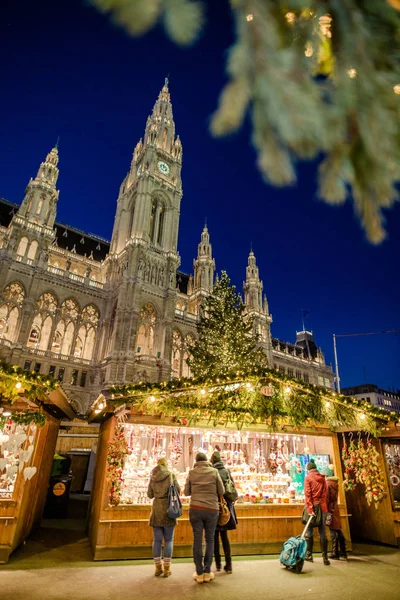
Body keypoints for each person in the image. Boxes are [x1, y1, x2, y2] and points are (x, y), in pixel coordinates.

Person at [184, 452, 225, 584]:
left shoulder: (192, 472)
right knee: (210, 539)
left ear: (196, 461)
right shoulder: (214, 472)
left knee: (197, 540)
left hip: (195, 508)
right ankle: (207, 571)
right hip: (212, 509)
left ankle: (199, 572)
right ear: (206, 460)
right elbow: (221, 491)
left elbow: (186, 492)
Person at [147, 457, 180, 578]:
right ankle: (167, 569)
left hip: (156, 510)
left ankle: (157, 568)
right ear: (166, 465)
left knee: (156, 540)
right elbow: (178, 490)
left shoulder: (153, 476)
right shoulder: (171, 475)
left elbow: (149, 495)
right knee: (169, 540)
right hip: (168, 509)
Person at [211, 451, 238, 574]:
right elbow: (233, 488)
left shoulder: (212, 472)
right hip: (226, 507)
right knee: (225, 537)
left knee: (215, 536)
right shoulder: (227, 471)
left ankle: (217, 564)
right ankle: (229, 565)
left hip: (215, 507)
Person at [304, 459, 330, 565]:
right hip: (323, 508)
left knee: (309, 531)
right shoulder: (323, 478)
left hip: (313, 508)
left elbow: (307, 494)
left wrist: (310, 509)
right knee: (322, 531)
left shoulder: (308, 478)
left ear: (308, 469)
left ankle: (309, 555)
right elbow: (325, 493)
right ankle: (325, 557)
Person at [326, 465, 348, 560]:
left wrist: (324, 508)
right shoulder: (335, 483)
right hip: (335, 507)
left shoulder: (328, 484)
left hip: (330, 508)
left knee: (332, 529)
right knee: (338, 529)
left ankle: (335, 552)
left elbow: (327, 498)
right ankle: (343, 551)